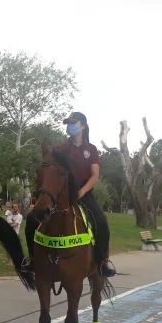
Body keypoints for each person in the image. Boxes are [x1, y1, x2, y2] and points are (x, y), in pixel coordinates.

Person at [22, 111, 115, 277]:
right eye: (68, 124)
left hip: (83, 193)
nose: (70, 127)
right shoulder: (60, 148)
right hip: (61, 193)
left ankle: (102, 262)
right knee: (31, 219)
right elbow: (51, 171)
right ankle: (33, 260)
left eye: (73, 123)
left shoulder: (91, 150)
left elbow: (94, 176)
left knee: (101, 221)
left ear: (83, 126)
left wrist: (81, 192)